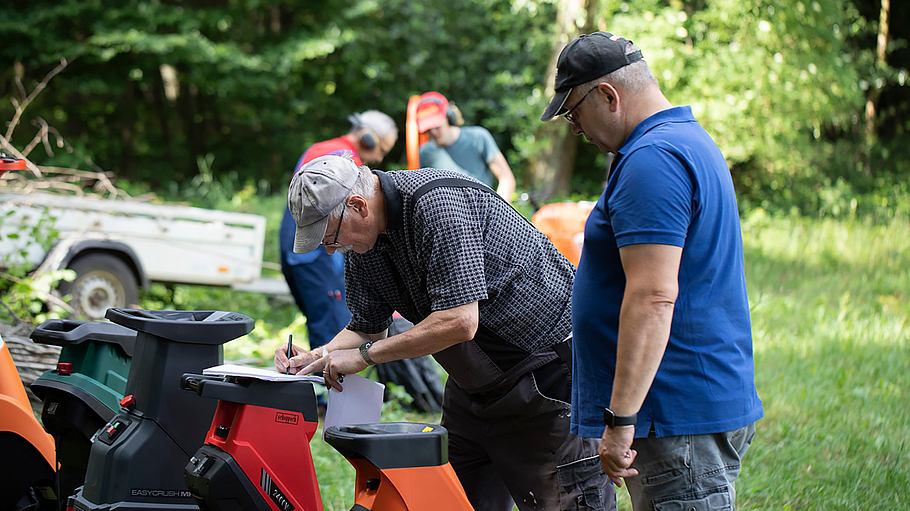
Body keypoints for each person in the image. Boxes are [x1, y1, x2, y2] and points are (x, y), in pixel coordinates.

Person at [275, 154, 612, 511]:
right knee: (446, 501)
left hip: (545, 372)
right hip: (475, 385)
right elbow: (366, 327)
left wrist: (365, 357)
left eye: (330, 236)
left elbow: (459, 322)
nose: (330, 249)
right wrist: (319, 355)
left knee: (569, 502)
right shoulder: (365, 241)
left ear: (358, 206)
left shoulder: (436, 204)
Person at [540, 32, 764, 510]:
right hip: (681, 407)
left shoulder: (653, 161)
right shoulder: (682, 140)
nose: (575, 128)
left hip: (672, 413)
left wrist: (621, 420)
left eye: (574, 111)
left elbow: (653, 297)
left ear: (607, 95)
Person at [278, 111, 397, 359]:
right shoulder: (344, 160)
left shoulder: (321, 148)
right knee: (333, 324)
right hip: (318, 252)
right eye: (381, 150)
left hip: (297, 246)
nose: (378, 157)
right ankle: (329, 394)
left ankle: (320, 385)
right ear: (369, 139)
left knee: (320, 319)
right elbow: (346, 222)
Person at [415, 91, 516, 201]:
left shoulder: (478, 138)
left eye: (437, 126)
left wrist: (498, 213)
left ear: (449, 116)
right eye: (428, 130)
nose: (433, 132)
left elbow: (506, 178)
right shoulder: (425, 153)